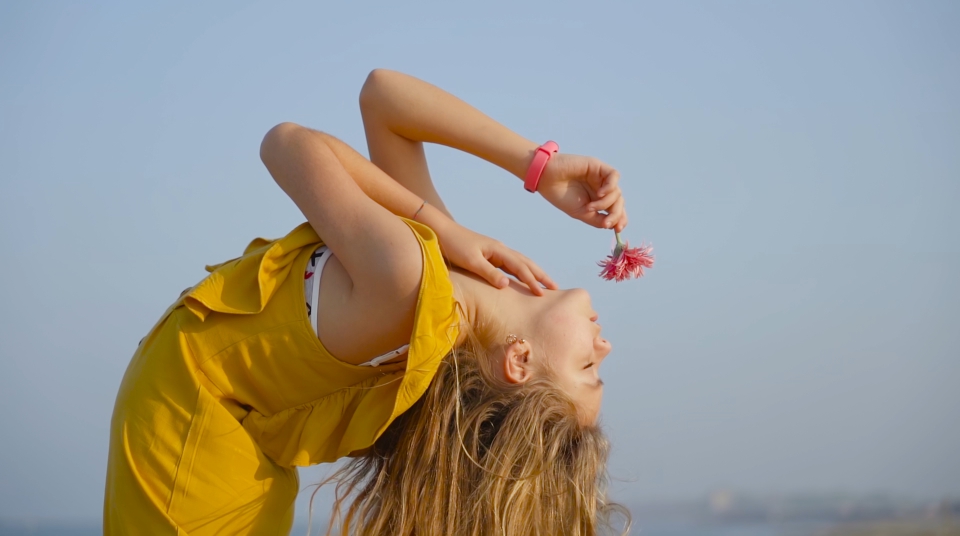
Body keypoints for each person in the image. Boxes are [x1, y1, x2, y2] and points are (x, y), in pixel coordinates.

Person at [104, 69, 631, 535]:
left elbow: (285, 144)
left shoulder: (407, 285)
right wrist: (539, 168)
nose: (604, 345)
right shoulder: (453, 276)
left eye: (587, 366)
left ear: (518, 361)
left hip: (190, 424)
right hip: (232, 427)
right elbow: (385, 98)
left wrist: (439, 227)